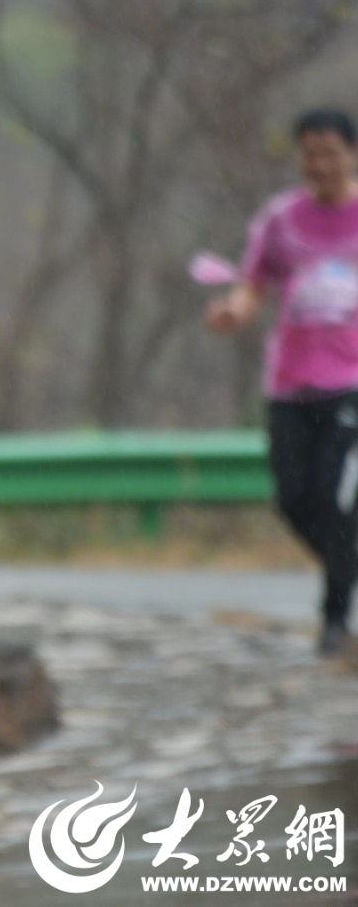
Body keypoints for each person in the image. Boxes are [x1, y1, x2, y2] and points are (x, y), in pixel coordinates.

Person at [208, 108, 358, 657]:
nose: (319, 165)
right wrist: (234, 312)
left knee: (334, 499)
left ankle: (334, 623)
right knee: (294, 500)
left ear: (352, 154)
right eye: (309, 154)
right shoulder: (280, 220)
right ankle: (349, 572)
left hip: (351, 386)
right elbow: (254, 284)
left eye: (331, 153)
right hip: (291, 386)